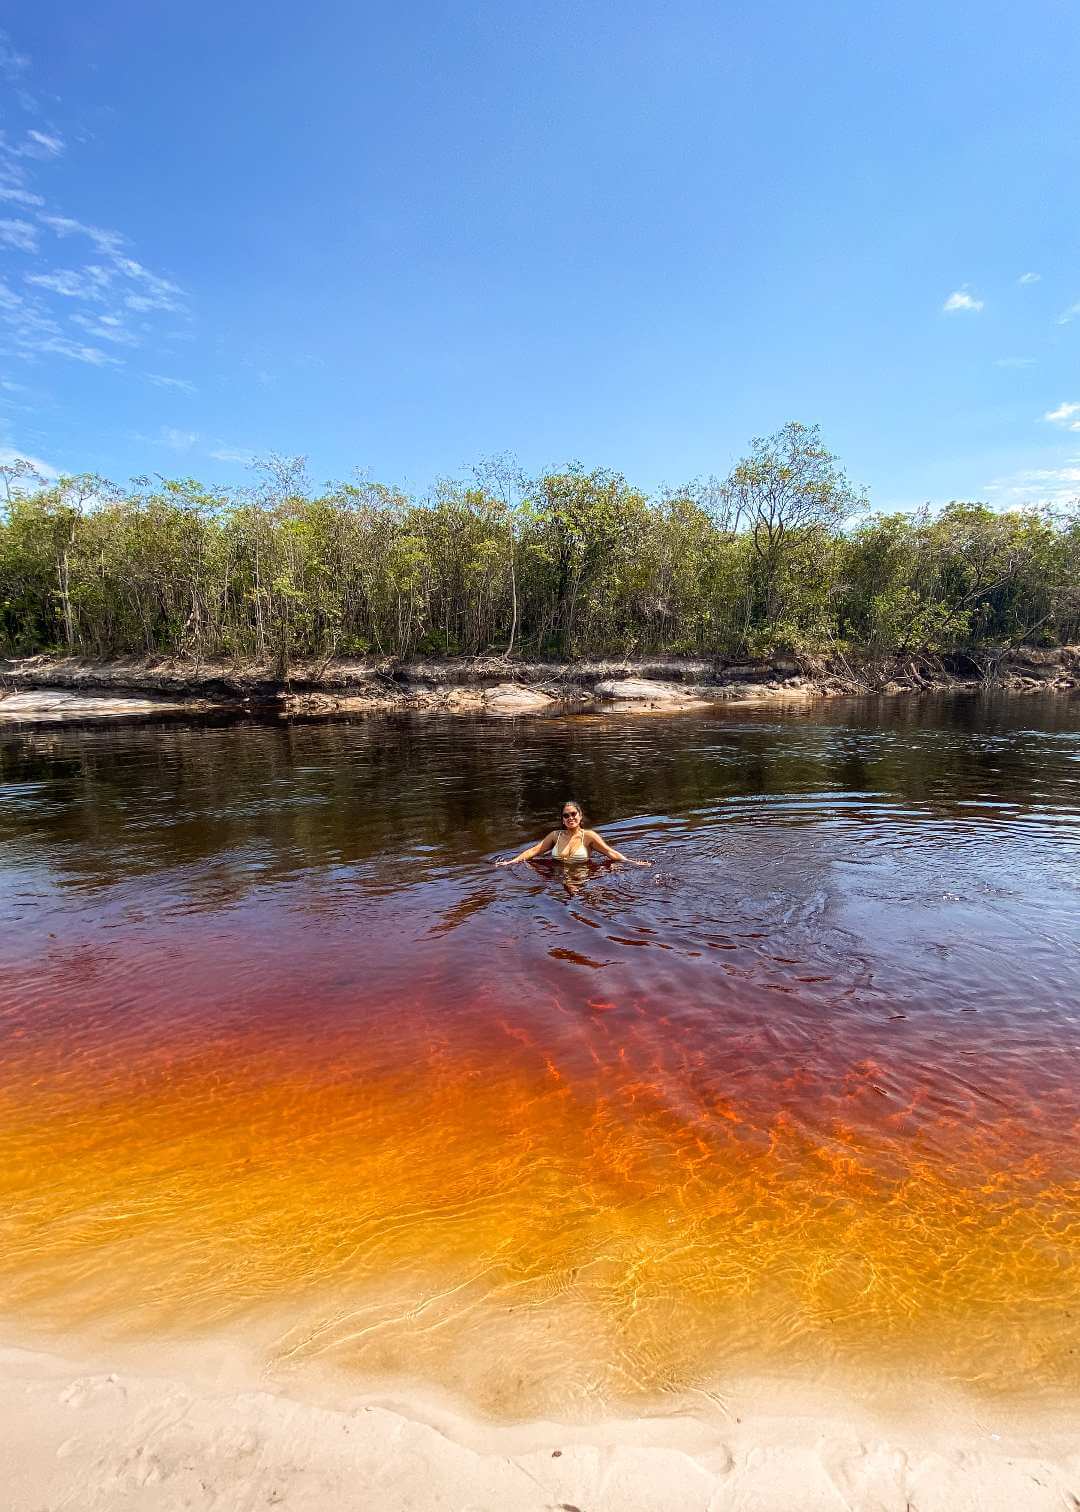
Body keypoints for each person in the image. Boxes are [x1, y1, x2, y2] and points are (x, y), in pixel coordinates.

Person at [495, 800, 649, 867]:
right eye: (566, 816)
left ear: (580, 816)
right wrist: (511, 862)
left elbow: (609, 852)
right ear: (562, 820)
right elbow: (534, 850)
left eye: (573, 814)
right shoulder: (555, 835)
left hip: (582, 875)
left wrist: (632, 862)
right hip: (557, 875)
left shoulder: (589, 836)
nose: (570, 818)